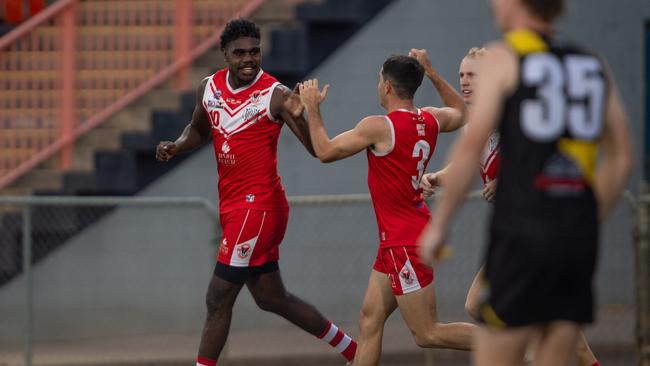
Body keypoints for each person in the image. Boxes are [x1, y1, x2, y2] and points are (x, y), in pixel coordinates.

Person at [418, 0, 633, 365]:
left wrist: (439, 226)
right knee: (554, 347)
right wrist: (587, 216)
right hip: (574, 240)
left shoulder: (508, 58)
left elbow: (470, 148)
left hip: (524, 233)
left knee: (496, 343)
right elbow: (622, 156)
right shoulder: (590, 63)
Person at [155, 18, 357, 366]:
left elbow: (317, 150)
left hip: (259, 207)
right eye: (240, 53)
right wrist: (176, 146)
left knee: (217, 298)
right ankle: (354, 349)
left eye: (255, 51)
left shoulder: (275, 96)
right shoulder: (210, 87)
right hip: (234, 208)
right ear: (225, 55)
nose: (249, 59)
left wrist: (308, 112)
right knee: (271, 298)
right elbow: (199, 130)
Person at [299, 51, 477, 366]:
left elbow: (324, 151)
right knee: (370, 319)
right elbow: (462, 112)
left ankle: (514, 346)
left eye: (379, 79)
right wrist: (432, 72)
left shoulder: (379, 127)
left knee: (428, 333)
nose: (377, 85)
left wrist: (312, 108)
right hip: (401, 237)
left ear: (388, 87)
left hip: (403, 241)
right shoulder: (431, 118)